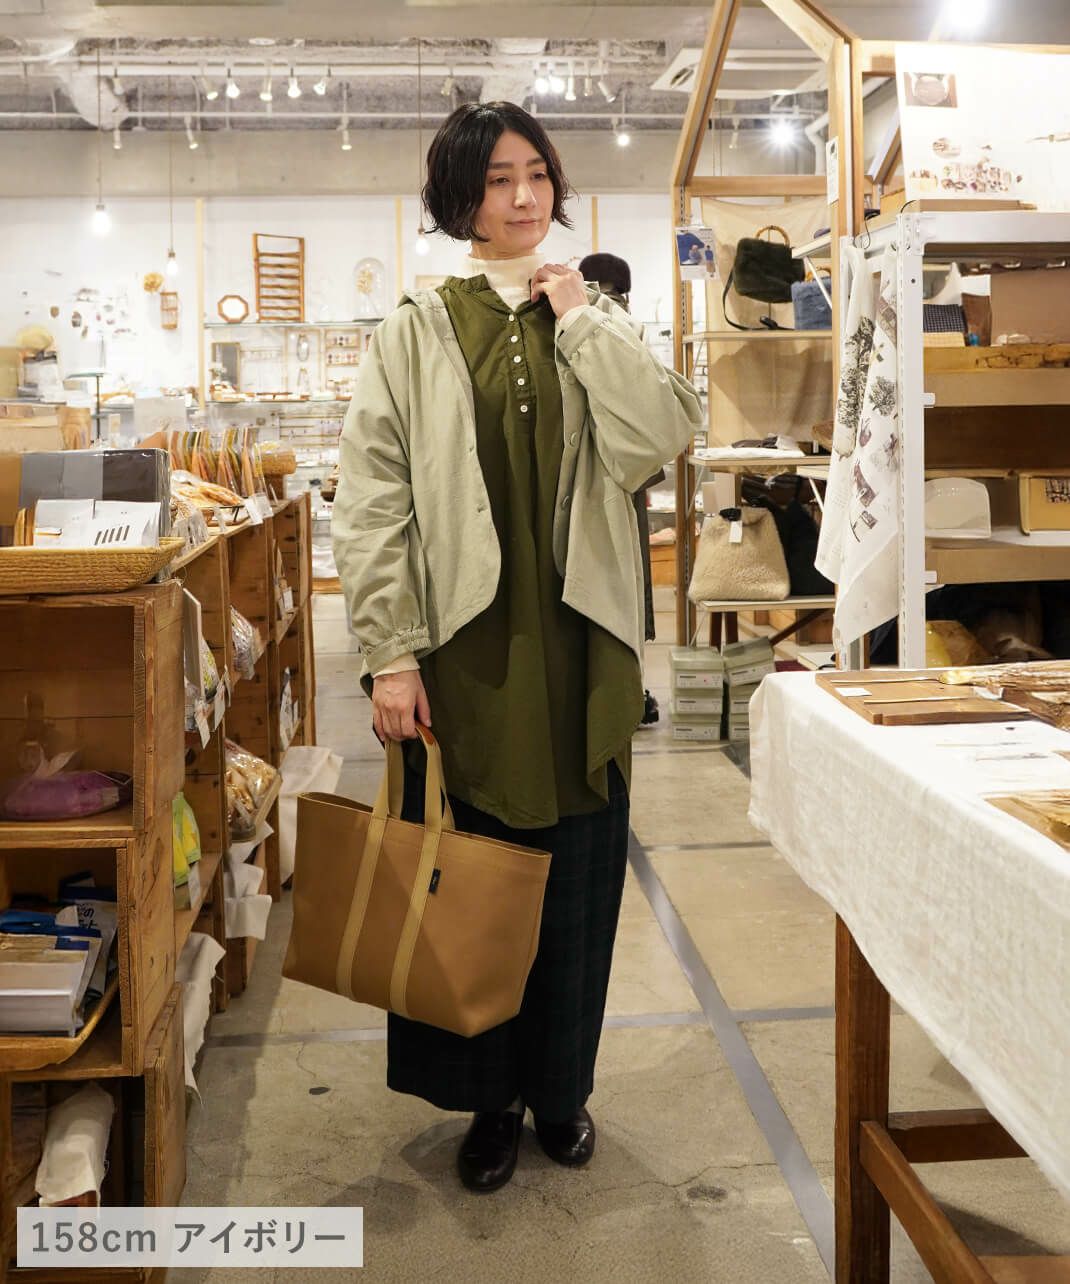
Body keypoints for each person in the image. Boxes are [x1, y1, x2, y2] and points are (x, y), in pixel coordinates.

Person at [332, 101, 701, 1195]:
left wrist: (583, 318)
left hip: (584, 649)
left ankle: (561, 1091)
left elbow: (661, 436)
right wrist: (391, 652)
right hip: (470, 651)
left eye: (536, 173)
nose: (525, 196)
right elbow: (373, 498)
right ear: (461, 198)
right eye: (498, 180)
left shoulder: (594, 314)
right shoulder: (416, 329)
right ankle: (488, 1102)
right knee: (474, 882)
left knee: (578, 884)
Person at [578, 251, 665, 726]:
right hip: (627, 473)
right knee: (630, 584)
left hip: (582, 473)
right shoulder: (629, 327)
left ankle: (605, 692)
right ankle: (632, 691)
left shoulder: (576, 321)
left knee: (589, 581)